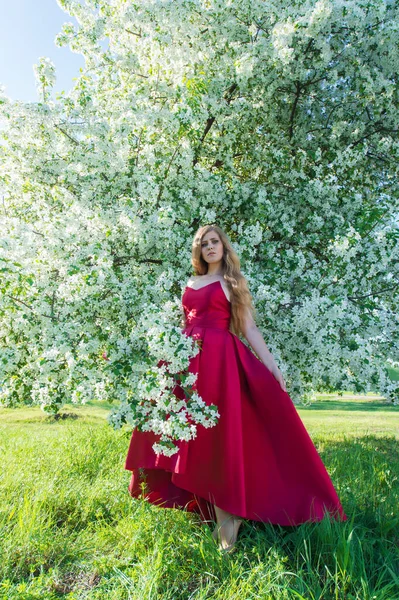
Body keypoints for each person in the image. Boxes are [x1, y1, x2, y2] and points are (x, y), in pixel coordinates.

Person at [124, 224, 347, 553]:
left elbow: (248, 328)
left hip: (218, 364)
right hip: (185, 363)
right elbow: (186, 323)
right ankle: (215, 513)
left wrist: (273, 367)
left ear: (224, 247)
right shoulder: (190, 282)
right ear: (198, 250)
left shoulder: (232, 281)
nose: (210, 247)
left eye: (215, 242)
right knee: (190, 436)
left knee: (218, 440)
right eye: (204, 243)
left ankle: (229, 522)